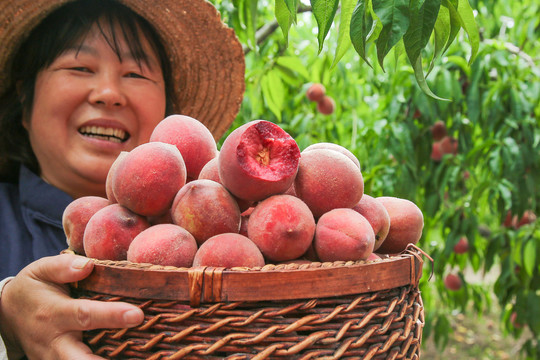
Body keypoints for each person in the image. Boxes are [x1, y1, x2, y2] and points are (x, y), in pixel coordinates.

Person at [0, 0, 245, 358]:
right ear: (25, 98)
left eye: (135, 74)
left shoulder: (222, 223)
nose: (109, 94)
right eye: (80, 67)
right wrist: (5, 322)